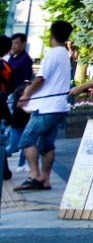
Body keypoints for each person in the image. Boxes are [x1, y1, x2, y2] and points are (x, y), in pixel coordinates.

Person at [12, 21, 72, 192]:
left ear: (51, 34)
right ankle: (45, 179)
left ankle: (34, 176)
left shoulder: (53, 53)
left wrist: (26, 94)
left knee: (27, 139)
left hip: (45, 106)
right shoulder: (64, 54)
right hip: (58, 105)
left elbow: (40, 78)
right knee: (47, 144)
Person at [2, 32, 33, 176]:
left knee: (15, 131)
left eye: (16, 43)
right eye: (12, 43)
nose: (14, 46)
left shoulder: (24, 60)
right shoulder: (8, 61)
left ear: (23, 43)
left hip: (16, 100)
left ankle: (10, 165)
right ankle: (6, 169)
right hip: (8, 100)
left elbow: (25, 82)